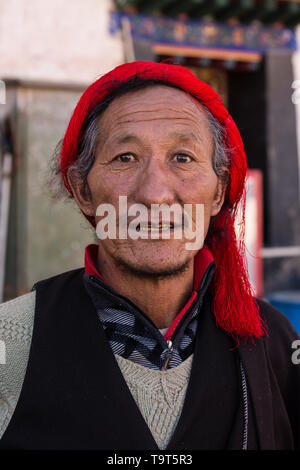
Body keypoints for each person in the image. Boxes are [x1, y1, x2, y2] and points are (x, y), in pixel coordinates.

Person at [0, 61, 299, 450]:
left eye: (183, 158)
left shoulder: (273, 342)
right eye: (125, 157)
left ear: (219, 192)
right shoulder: (11, 339)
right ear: (83, 190)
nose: (155, 195)